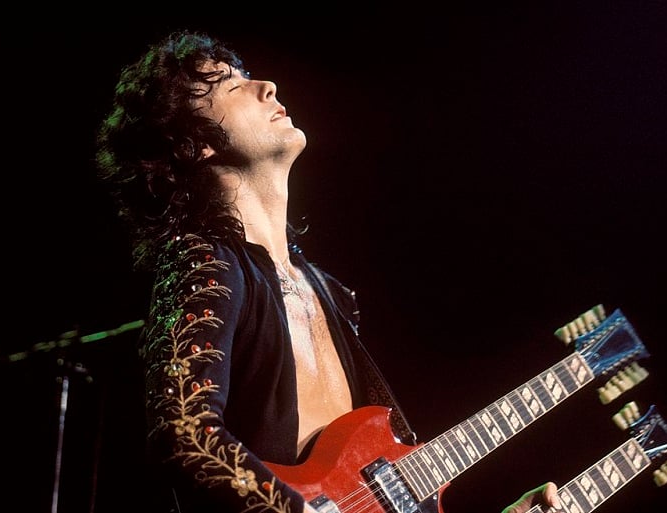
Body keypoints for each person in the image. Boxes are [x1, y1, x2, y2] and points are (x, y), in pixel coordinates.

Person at [95, 29, 560, 513]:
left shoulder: (330, 292)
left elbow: (360, 495)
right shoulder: (205, 259)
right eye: (233, 88)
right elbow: (184, 434)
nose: (268, 87)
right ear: (194, 145)